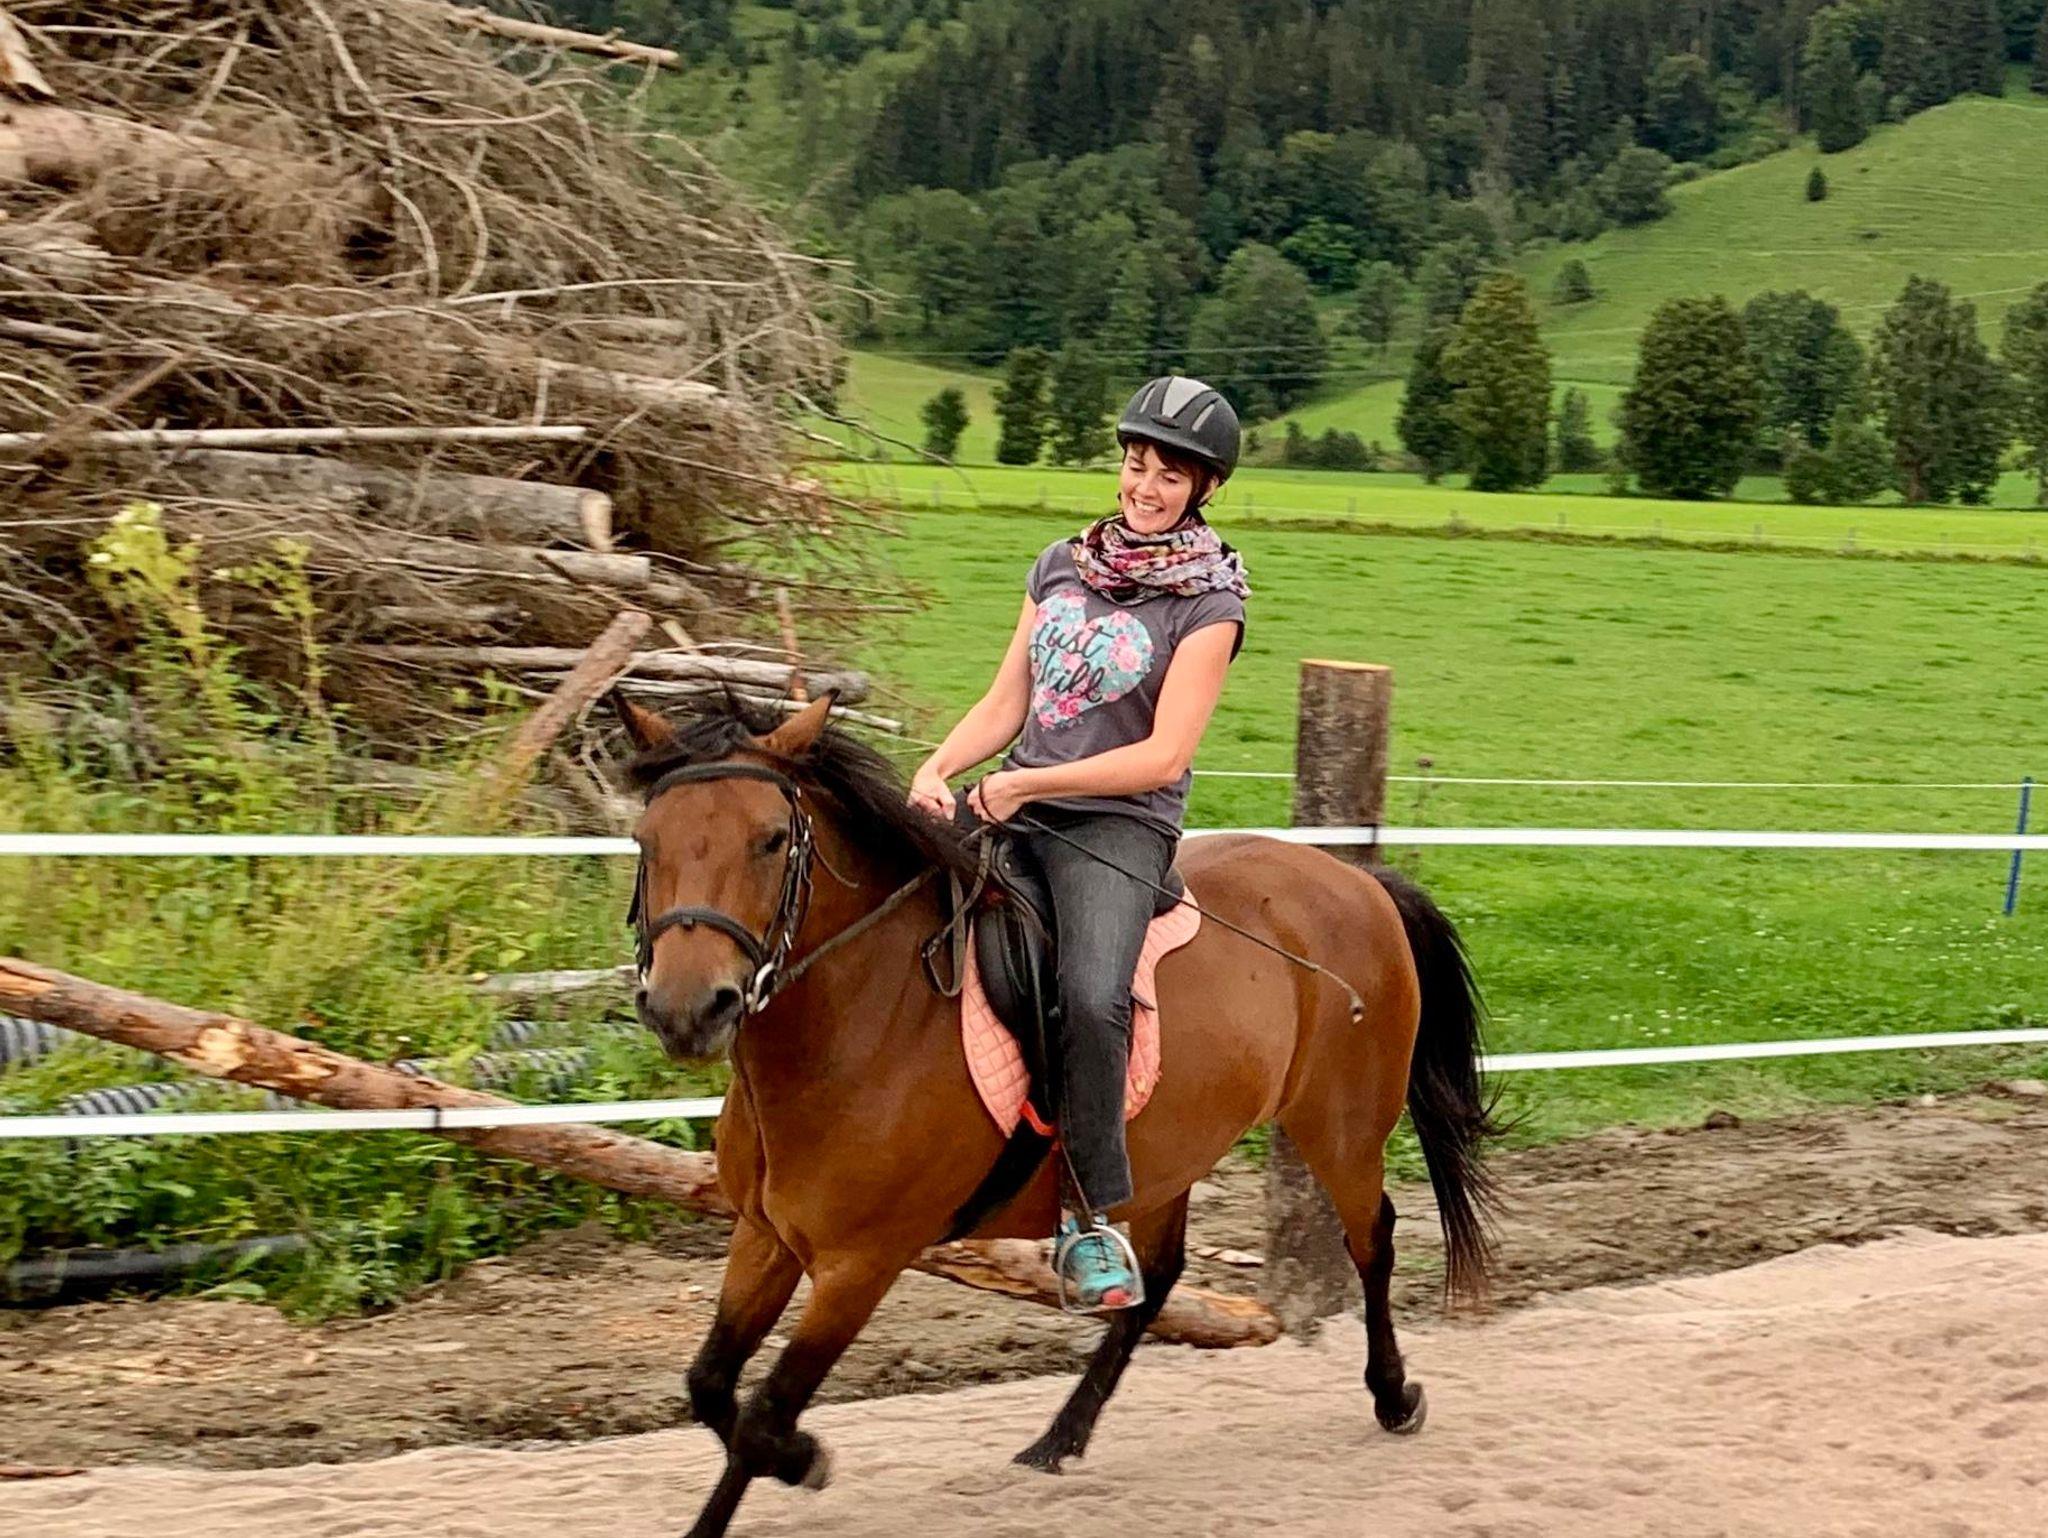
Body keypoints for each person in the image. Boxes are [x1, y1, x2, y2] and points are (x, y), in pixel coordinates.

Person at [907, 376, 1249, 1310]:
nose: (1146, 487)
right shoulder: (1061, 564)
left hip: (1118, 825)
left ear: (1205, 488)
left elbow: (1163, 754)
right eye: (1137, 465)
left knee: (1094, 995)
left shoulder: (1210, 604)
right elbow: (1006, 702)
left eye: (1170, 475)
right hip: (1016, 799)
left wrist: (1028, 783)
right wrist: (939, 766)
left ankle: (1092, 1220)